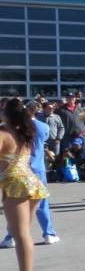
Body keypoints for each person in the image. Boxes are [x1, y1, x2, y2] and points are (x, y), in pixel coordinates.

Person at [2, 98, 50, 271]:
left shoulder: (4, 134)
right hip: (31, 181)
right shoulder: (25, 133)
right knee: (25, 234)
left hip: (16, 184)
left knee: (20, 234)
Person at [0, 102, 59, 249]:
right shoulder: (41, 127)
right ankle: (48, 233)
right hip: (36, 169)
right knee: (41, 203)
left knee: (15, 206)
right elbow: (45, 139)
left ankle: (10, 236)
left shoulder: (10, 130)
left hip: (16, 171)